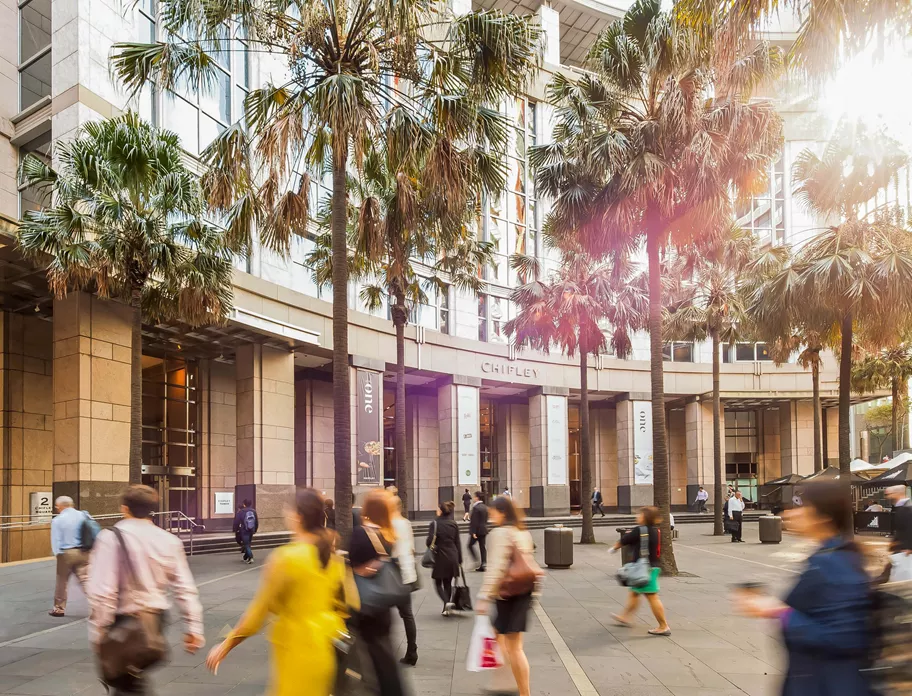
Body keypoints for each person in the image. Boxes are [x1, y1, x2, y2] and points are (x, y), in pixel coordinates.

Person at [734, 480, 875, 696]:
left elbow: (845, 637)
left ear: (823, 516)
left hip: (832, 686)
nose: (791, 513)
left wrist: (779, 611)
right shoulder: (827, 556)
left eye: (801, 506)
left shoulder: (835, 563)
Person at [206, 489, 352, 696]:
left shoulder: (287, 557)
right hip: (327, 643)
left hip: (298, 646)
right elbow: (344, 606)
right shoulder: (333, 556)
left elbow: (259, 611)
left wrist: (227, 644)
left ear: (298, 517)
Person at [87, 485, 204, 695]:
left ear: (124, 508)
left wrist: (99, 629)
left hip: (123, 620)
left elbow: (103, 590)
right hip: (156, 620)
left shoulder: (109, 538)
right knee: (129, 678)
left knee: (127, 682)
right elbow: (185, 588)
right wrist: (194, 627)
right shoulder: (169, 540)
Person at [477, 496, 536, 696]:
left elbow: (495, 568)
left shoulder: (499, 534)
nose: (490, 514)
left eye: (492, 511)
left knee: (514, 647)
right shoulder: (521, 532)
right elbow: (529, 565)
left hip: (508, 594)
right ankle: (505, 679)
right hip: (522, 592)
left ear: (502, 513)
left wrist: (484, 597)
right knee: (499, 636)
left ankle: (523, 692)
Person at [349, 489, 405, 696]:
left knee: (372, 657)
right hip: (383, 605)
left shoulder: (360, 533)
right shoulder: (387, 534)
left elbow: (355, 566)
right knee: (383, 653)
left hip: (365, 603)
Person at [610, 506, 671, 637]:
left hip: (645, 569)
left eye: (640, 515)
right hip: (651, 567)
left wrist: (614, 548)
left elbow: (624, 540)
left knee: (652, 596)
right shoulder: (655, 531)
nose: (637, 517)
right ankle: (624, 617)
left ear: (645, 517)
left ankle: (663, 626)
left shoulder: (639, 530)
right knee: (634, 593)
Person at [388, 488, 418, 666]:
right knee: (407, 615)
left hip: (393, 573)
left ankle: (383, 649)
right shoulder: (406, 523)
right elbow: (412, 549)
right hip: (407, 573)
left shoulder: (388, 524)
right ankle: (412, 650)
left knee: (380, 611)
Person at [49, 496, 92, 617]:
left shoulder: (58, 520)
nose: (57, 509)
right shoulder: (84, 515)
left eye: (57, 507)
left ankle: (59, 608)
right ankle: (98, 604)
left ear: (61, 506)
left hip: (66, 553)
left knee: (62, 581)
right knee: (86, 579)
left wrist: (57, 554)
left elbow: (55, 540)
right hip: (84, 551)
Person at [427, 500, 462, 616]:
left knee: (437, 582)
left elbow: (429, 541)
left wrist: (434, 547)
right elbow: (458, 542)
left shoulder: (435, 524)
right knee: (447, 582)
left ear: (441, 511)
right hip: (453, 555)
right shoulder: (453, 524)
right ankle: (446, 608)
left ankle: (446, 602)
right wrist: (460, 559)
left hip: (440, 555)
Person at [234, 499, 259, 564]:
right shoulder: (253, 511)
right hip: (251, 530)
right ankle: (246, 557)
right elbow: (256, 521)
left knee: (246, 544)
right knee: (248, 543)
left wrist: (235, 530)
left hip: (244, 530)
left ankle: (251, 557)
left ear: (244, 504)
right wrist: (255, 529)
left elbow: (236, 522)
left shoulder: (241, 511)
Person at [468, 491, 489, 571]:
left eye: (474, 497)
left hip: (477, 531)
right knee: (482, 547)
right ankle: (484, 564)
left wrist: (473, 532)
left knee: (470, 545)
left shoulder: (476, 508)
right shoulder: (484, 507)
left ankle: (476, 561)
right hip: (484, 529)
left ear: (477, 498)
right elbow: (486, 519)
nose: (473, 498)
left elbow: (474, 521)